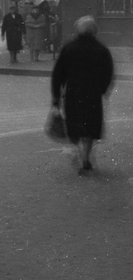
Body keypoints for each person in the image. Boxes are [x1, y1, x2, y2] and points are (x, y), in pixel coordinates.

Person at [51, 16, 116, 174]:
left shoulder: (69, 48)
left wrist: (55, 95)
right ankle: (86, 157)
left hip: (73, 92)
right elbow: (108, 73)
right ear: (94, 30)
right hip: (93, 93)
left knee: (74, 124)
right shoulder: (101, 49)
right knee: (90, 126)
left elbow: (58, 74)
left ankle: (79, 153)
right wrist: (102, 89)